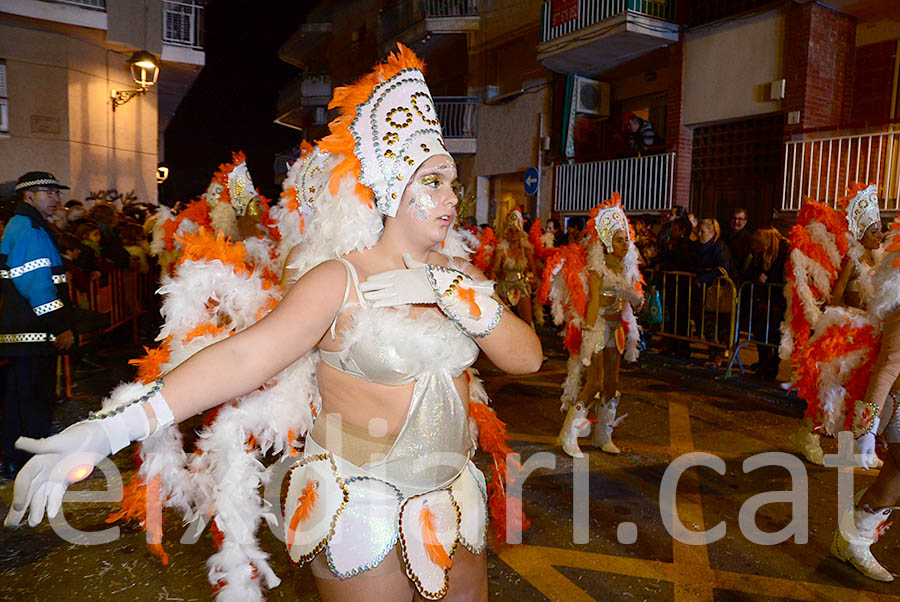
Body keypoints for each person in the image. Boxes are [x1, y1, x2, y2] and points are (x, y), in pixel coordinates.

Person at [5, 45, 542, 601]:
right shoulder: (338, 279)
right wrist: (109, 428)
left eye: (451, 183)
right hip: (364, 501)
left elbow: (526, 359)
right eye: (431, 182)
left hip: (455, 492)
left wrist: (455, 295)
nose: (449, 199)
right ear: (387, 186)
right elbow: (244, 357)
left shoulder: (459, 270)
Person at [545, 195, 643, 458]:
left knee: (611, 384)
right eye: (619, 240)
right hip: (597, 328)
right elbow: (594, 301)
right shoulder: (596, 268)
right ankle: (568, 434)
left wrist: (632, 302)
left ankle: (603, 436)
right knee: (594, 382)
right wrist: (587, 333)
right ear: (607, 242)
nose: (625, 245)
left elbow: (628, 299)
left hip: (616, 328)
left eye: (626, 240)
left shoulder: (624, 267)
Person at [0, 172, 75, 478]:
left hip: (26, 332)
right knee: (32, 401)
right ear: (28, 196)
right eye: (48, 192)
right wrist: (60, 325)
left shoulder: (30, 225)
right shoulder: (29, 228)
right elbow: (36, 284)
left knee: (21, 399)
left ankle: (18, 458)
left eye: (56, 193)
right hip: (31, 332)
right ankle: (27, 461)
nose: (55, 198)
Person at [744, 228, 789, 379]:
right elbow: (749, 273)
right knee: (760, 334)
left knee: (775, 337)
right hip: (762, 301)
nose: (754, 245)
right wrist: (757, 276)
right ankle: (763, 364)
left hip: (777, 302)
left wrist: (768, 279)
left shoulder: (783, 253)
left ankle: (772, 367)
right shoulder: (758, 255)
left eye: (758, 242)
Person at [491, 209, 537, 327]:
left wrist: (530, 279)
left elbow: (533, 270)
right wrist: (491, 287)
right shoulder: (502, 251)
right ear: (506, 233)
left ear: (520, 233)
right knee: (503, 321)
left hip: (521, 286)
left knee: (527, 321)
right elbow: (494, 270)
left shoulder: (526, 250)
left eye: (516, 231)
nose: (514, 234)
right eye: (511, 231)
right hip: (504, 287)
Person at [723, 208, 752, 280]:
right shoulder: (724, 235)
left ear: (745, 221)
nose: (736, 222)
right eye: (734, 218)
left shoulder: (748, 239)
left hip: (738, 278)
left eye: (740, 219)